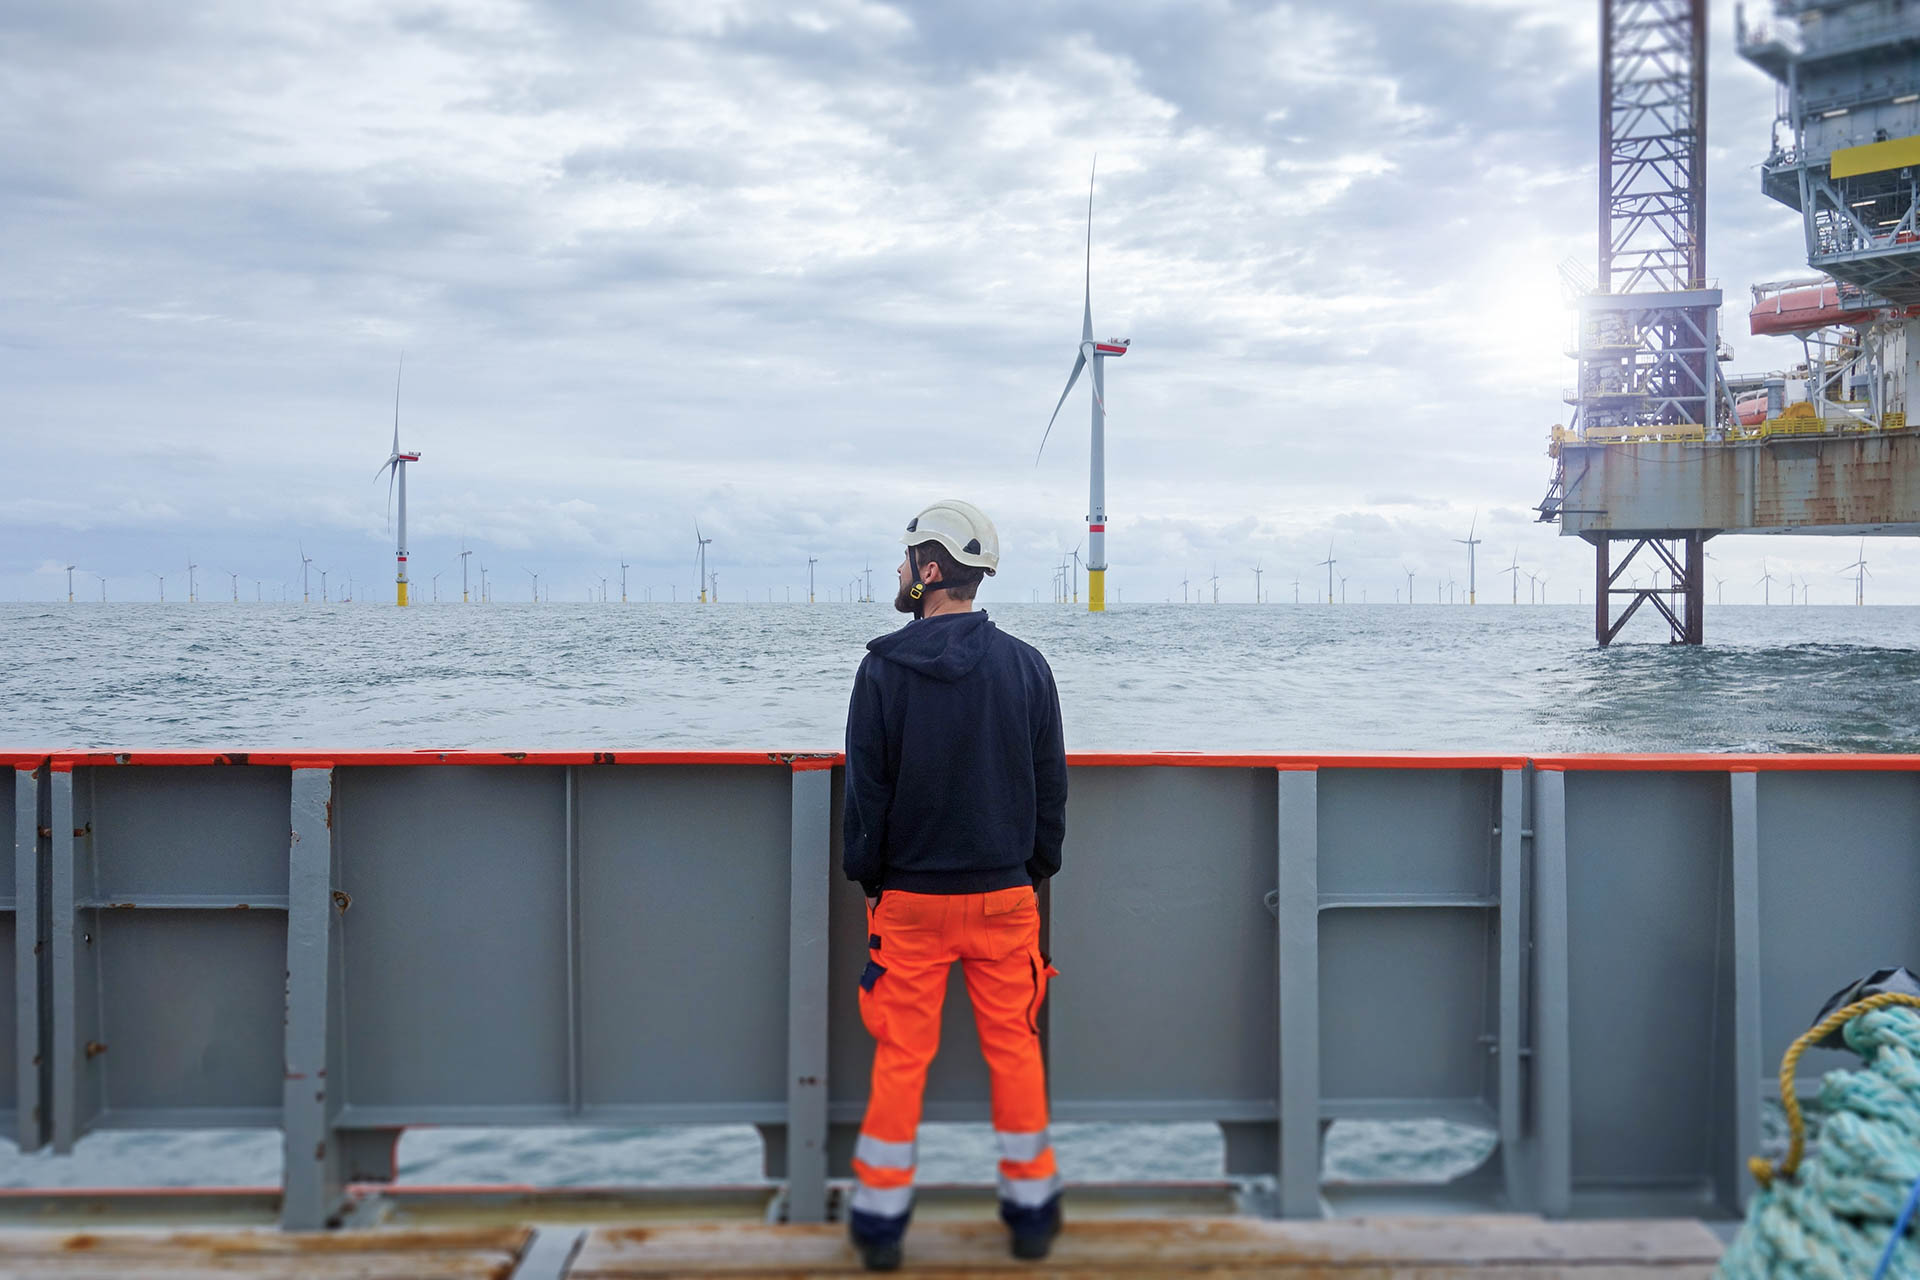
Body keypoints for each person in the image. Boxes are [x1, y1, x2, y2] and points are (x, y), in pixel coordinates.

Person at [841, 499, 1068, 1271]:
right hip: (1007, 898)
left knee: (902, 1058)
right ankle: (1033, 1213)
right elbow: (1050, 786)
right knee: (1015, 1051)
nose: (900, 572)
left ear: (929, 570)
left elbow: (866, 795)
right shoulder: (1028, 666)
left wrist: (871, 881)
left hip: (909, 903)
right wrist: (1032, 872)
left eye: (907, 559)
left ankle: (878, 1227)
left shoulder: (881, 669)